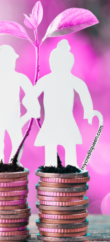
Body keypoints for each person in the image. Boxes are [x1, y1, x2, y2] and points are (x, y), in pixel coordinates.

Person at [30, 39, 98, 167]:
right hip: (53, 121)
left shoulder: (68, 80)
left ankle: (69, 168)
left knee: (68, 147)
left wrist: (89, 111)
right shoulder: (48, 80)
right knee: (54, 149)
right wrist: (34, 109)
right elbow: (29, 98)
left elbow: (83, 92)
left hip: (66, 120)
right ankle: (53, 167)